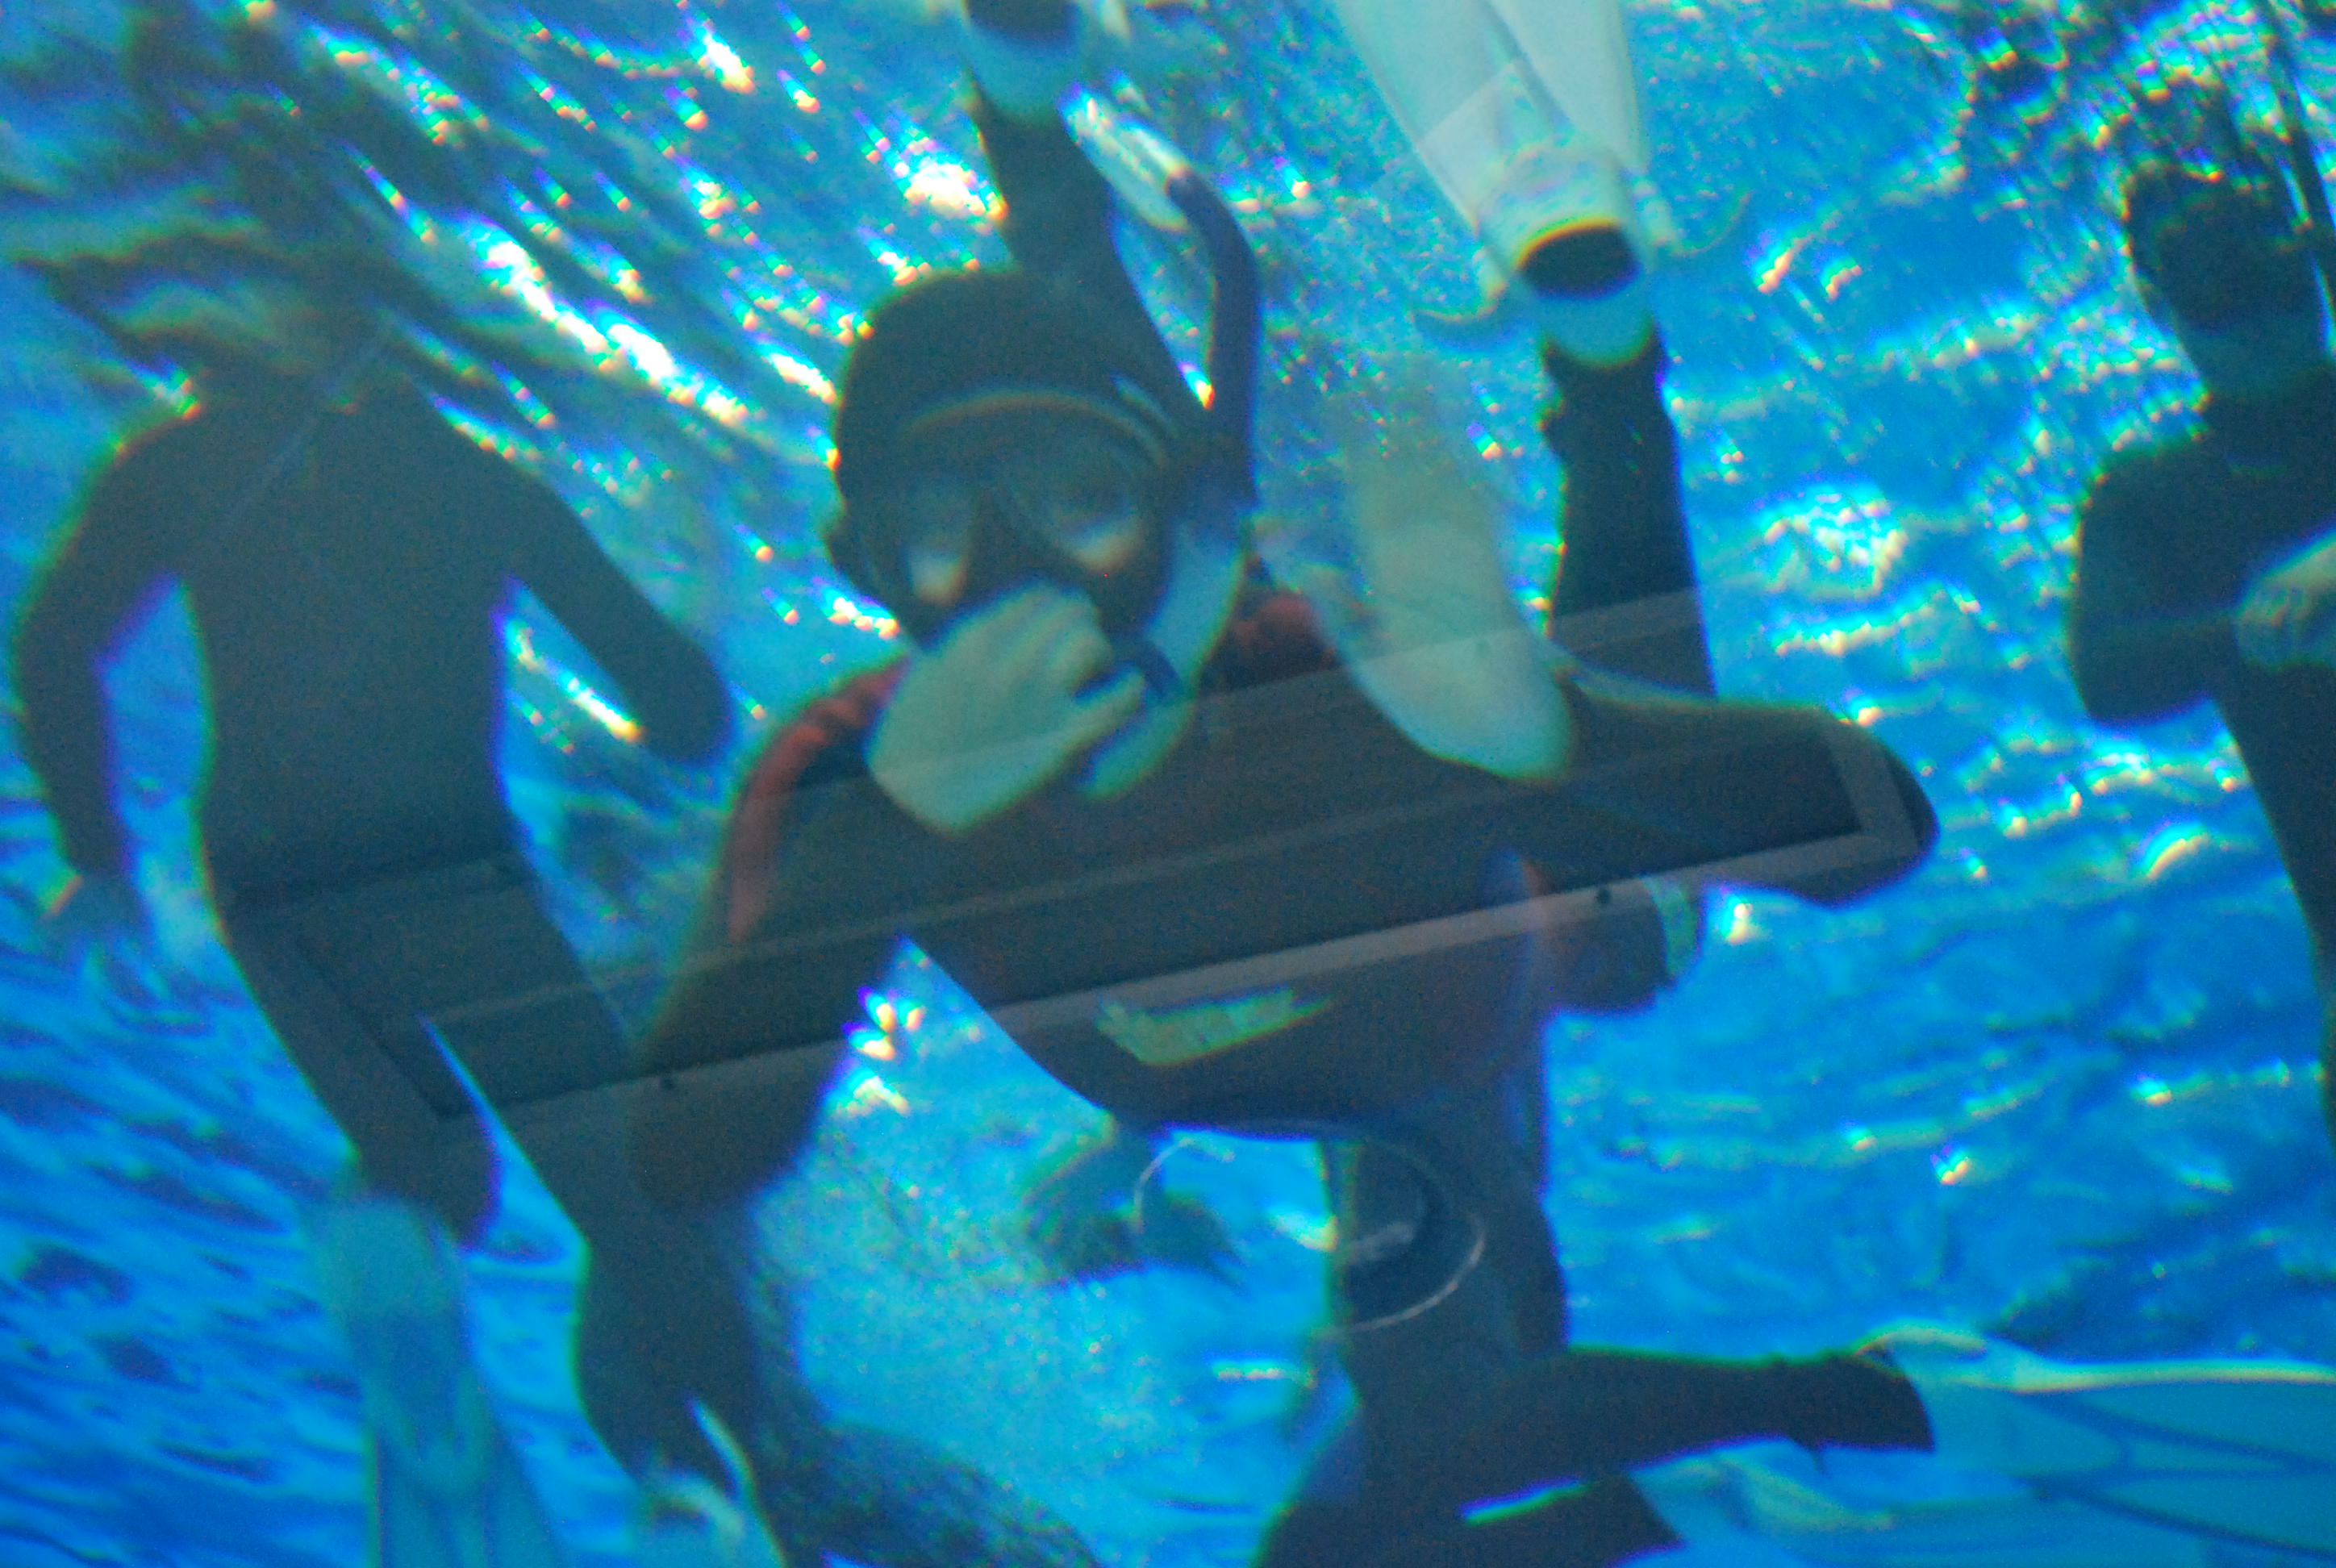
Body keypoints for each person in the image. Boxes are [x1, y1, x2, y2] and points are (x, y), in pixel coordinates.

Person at [6, 288, 786, 1567]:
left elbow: (53, 647)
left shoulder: (181, 460)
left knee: (428, 1172)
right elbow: (685, 711)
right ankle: (697, 1490)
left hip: (271, 894)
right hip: (450, 883)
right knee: (641, 1208)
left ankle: (395, 1303)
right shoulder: (473, 481)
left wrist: (97, 860)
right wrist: (688, 667)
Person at [2067, 77, 2336, 1154]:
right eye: (2214, 284)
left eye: (2273, 273)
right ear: (2157, 303)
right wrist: (2264, 628)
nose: (2261, 316)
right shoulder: (2155, 496)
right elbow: (2106, 674)